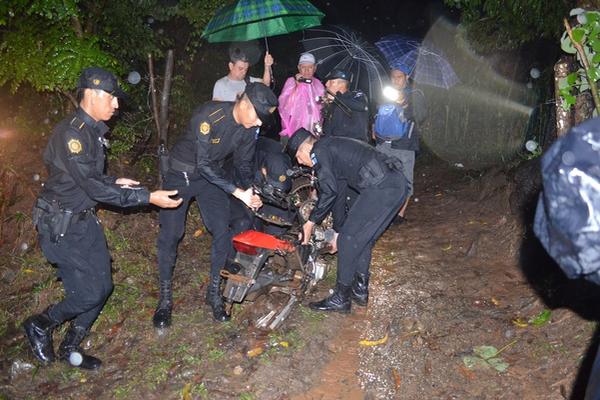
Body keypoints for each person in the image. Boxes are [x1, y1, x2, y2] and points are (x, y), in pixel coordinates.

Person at [23, 67, 182, 370]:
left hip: (82, 219)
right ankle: (40, 324)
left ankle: (70, 346)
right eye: (112, 98)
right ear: (93, 95)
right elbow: (90, 184)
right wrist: (147, 197)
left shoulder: (93, 130)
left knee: (103, 286)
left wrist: (116, 182)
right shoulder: (71, 134)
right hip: (61, 225)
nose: (117, 105)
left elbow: (92, 178)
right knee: (89, 292)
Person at [154, 82, 278, 326]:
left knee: (222, 230)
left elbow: (243, 165)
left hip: (211, 179)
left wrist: (250, 190)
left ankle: (213, 293)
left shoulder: (247, 128)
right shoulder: (208, 115)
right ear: (245, 104)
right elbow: (203, 164)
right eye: (259, 116)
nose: (260, 123)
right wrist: (236, 192)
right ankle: (165, 300)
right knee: (171, 234)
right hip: (181, 174)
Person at [286, 129, 408, 313]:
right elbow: (339, 192)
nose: (302, 163)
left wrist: (310, 222)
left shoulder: (319, 150)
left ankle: (341, 298)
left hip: (382, 187)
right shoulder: (333, 147)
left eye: (299, 157)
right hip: (396, 186)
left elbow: (328, 191)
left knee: (349, 240)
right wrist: (337, 230)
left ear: (305, 149)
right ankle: (359, 290)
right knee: (360, 239)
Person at [374, 68, 426, 224]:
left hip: (405, 145)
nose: (396, 80)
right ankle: (382, 212)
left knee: (405, 180)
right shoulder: (385, 94)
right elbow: (378, 114)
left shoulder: (415, 94)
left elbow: (421, 116)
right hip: (383, 143)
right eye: (393, 77)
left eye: (399, 77)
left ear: (406, 77)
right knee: (380, 177)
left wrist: (406, 106)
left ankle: (399, 216)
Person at [278, 52, 325, 140]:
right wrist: (297, 86)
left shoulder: (318, 84)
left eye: (310, 67)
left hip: (313, 130)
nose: (307, 70)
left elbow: (322, 107)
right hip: (293, 130)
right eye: (303, 67)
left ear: (315, 68)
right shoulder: (291, 81)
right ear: (299, 68)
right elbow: (284, 107)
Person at [320, 69, 369, 142]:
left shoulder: (356, 95)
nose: (326, 84)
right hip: (335, 147)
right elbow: (328, 130)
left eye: (331, 82)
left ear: (342, 84)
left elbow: (362, 106)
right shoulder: (332, 103)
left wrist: (336, 99)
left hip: (355, 147)